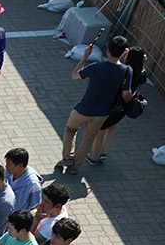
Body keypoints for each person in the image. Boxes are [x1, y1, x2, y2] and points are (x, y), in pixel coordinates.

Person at [58, 36, 132, 174]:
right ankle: (75, 166)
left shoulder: (96, 67)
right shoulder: (127, 71)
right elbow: (126, 94)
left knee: (70, 129)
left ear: (108, 50)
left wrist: (85, 56)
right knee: (89, 138)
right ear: (125, 51)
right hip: (103, 113)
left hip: (84, 108)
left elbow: (75, 75)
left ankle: (67, 157)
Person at [91, 46, 146, 164]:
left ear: (129, 56)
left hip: (111, 104)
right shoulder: (142, 74)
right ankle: (104, 152)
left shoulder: (124, 70)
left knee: (100, 132)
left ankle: (93, 158)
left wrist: (120, 55)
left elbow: (114, 65)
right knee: (112, 127)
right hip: (124, 107)